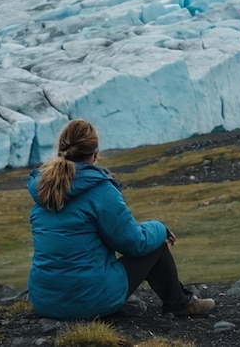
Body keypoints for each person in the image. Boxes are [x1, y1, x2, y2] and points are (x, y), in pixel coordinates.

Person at [27, 118, 216, 321]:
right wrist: (160, 228)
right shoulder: (100, 190)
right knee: (155, 246)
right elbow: (134, 243)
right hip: (87, 301)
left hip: (44, 301)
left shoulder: (44, 187)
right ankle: (180, 303)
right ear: (95, 154)